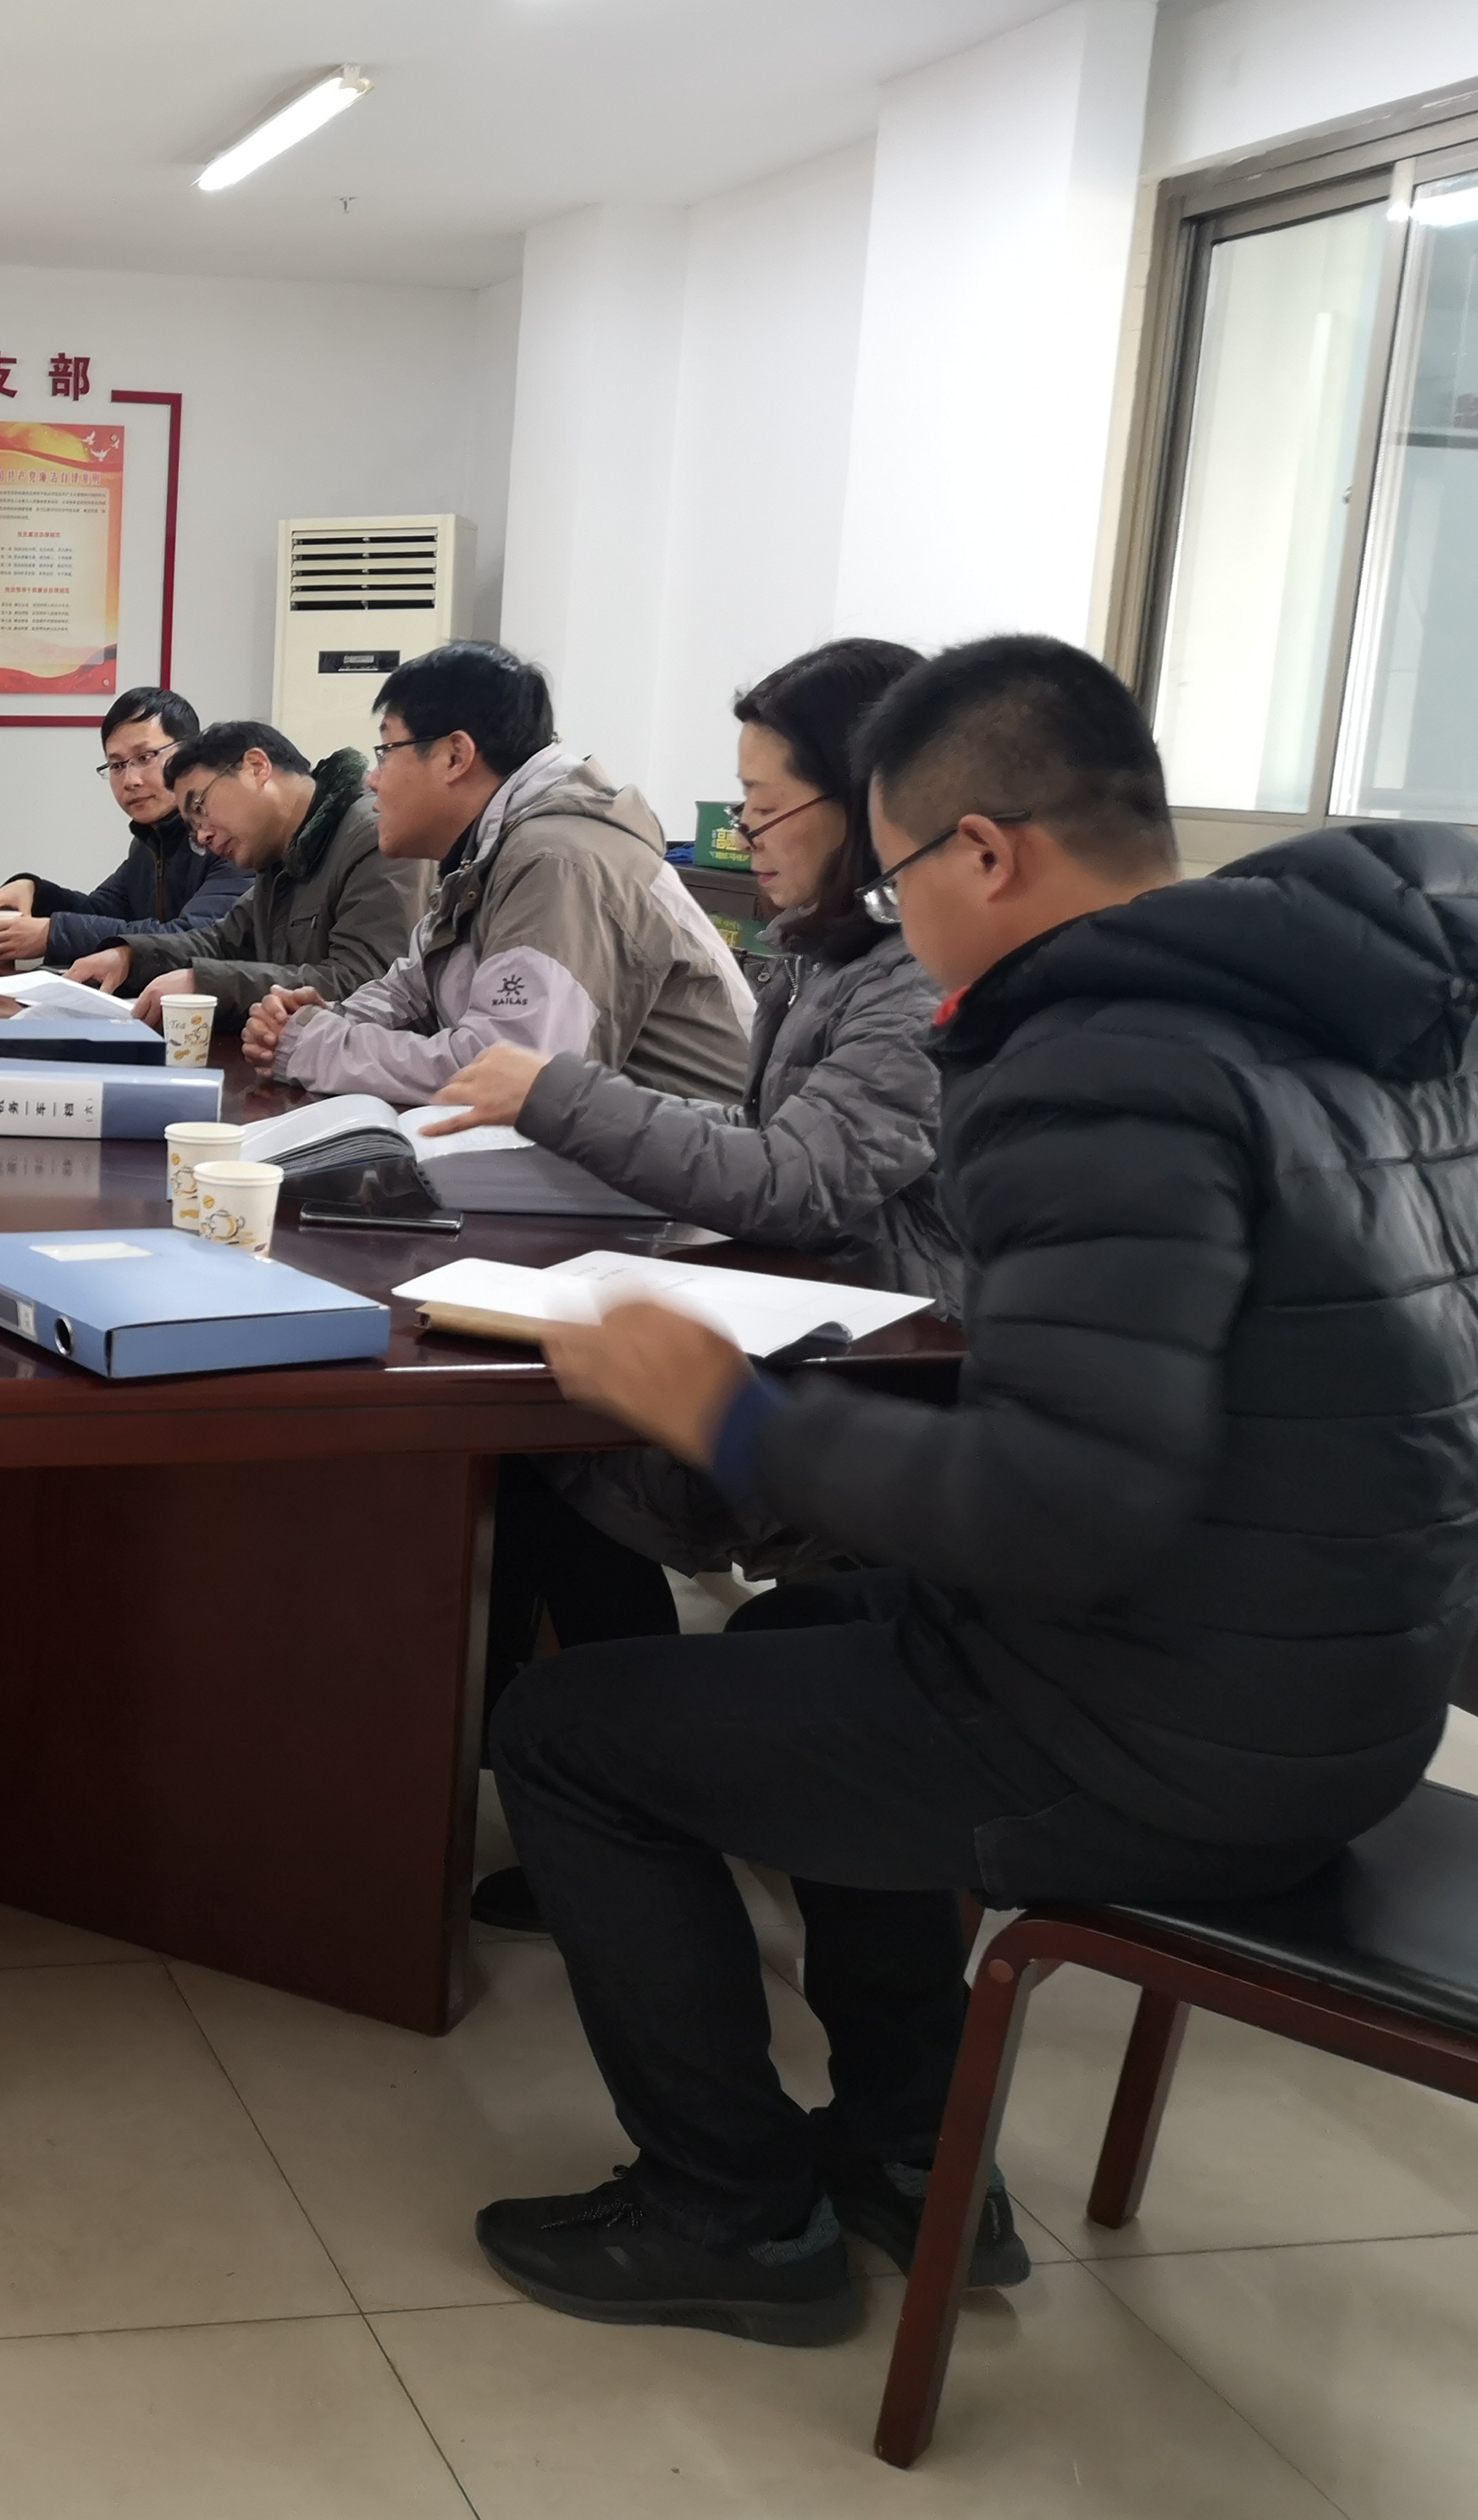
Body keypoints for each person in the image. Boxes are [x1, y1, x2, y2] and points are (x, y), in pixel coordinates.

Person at [473, 633, 1478, 2349]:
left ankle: (727, 2209)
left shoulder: (1098, 1058)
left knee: (566, 1735)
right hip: (1346, 1694)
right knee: (806, 1631)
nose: (892, 919)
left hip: (1171, 1733)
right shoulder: (1354, 1025)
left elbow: (1050, 1504)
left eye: (895, 873)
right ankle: (904, 2150)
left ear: (985, 853)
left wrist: (721, 1413)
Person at [431, 638, 956, 1936]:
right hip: (814, 1317)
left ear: (875, 804)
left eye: (767, 807)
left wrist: (562, 1097)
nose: (746, 837)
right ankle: (579, 1781)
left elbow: (801, 1181)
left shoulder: (915, 974)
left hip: (883, 1370)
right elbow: (768, 1142)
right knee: (538, 1461)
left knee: (556, 1461)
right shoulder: (826, 954)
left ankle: (614, 1792)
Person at [241, 642, 750, 1108]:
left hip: (695, 1170)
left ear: (455, 756)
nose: (373, 779)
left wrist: (317, 1046)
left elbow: (513, 1075)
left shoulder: (557, 860)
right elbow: (410, 991)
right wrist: (328, 1018)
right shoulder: (489, 853)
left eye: (386, 751)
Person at [64, 720, 429, 1026]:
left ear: (256, 767)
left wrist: (204, 984)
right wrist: (131, 957)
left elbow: (364, 984)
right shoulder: (280, 854)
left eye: (200, 807)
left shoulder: (373, 838)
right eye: (193, 827)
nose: (203, 836)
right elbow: (222, 942)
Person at [0, 688, 252, 968]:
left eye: (145, 757)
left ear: (187, 753)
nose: (130, 780)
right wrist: (35, 892)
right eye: (116, 765)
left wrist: (53, 934)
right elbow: (100, 912)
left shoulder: (228, 837)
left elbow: (195, 937)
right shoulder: (150, 841)